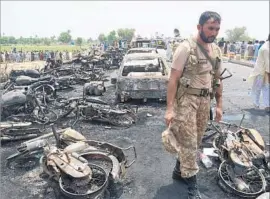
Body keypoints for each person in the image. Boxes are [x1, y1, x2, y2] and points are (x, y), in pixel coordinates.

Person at [164, 11, 223, 199]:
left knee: (197, 140)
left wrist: (219, 104)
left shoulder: (217, 50)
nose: (214, 33)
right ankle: (192, 185)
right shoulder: (185, 48)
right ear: (199, 27)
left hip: (205, 101)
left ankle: (178, 170)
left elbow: (218, 79)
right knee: (189, 142)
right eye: (210, 28)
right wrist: (169, 108)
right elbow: (173, 79)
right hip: (187, 101)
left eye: (217, 29)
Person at [248, 34, 269, 112]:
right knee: (258, 88)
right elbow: (267, 63)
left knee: (266, 87)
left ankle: (267, 105)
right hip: (261, 71)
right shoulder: (266, 48)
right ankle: (256, 104)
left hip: (265, 70)